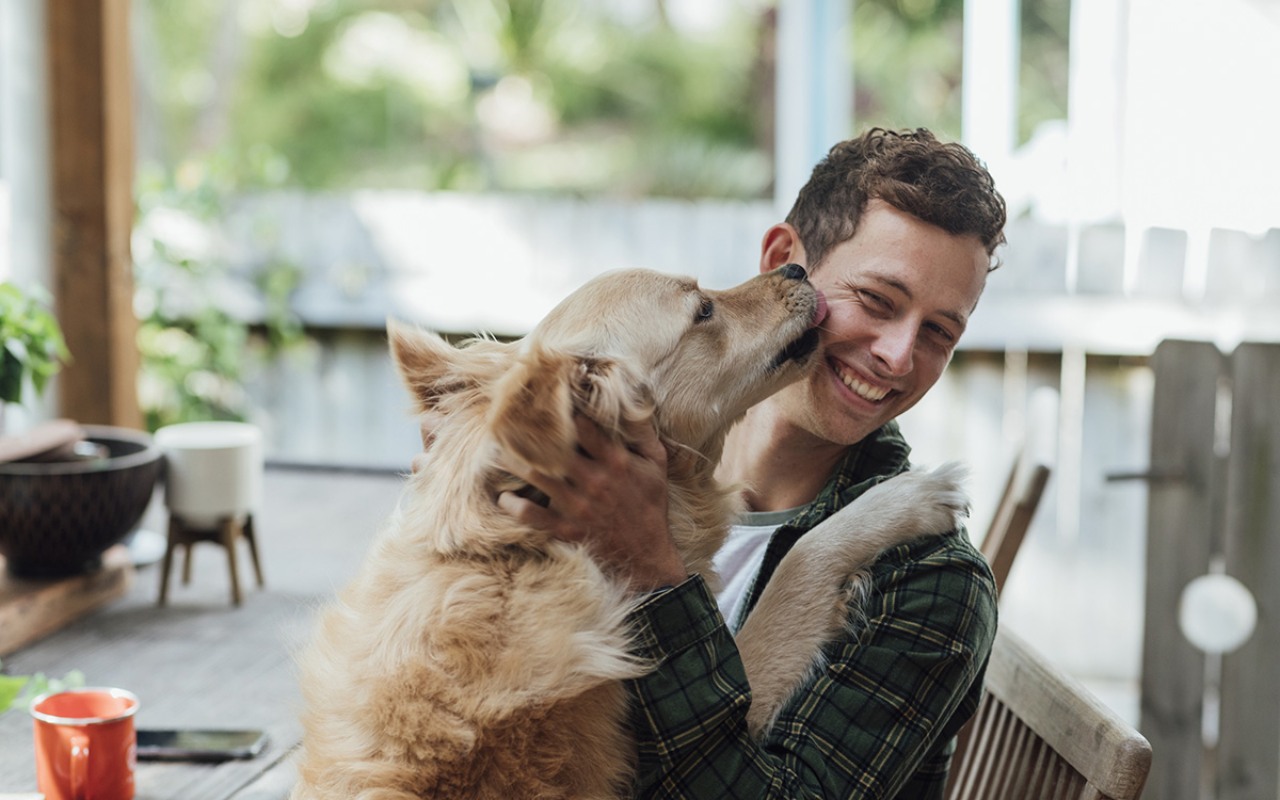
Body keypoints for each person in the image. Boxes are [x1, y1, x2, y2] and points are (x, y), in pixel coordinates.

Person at [494, 127, 1007, 798]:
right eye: (878, 301)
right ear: (782, 261)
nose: (898, 356)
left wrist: (650, 568)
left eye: (939, 332)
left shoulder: (929, 580)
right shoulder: (601, 478)